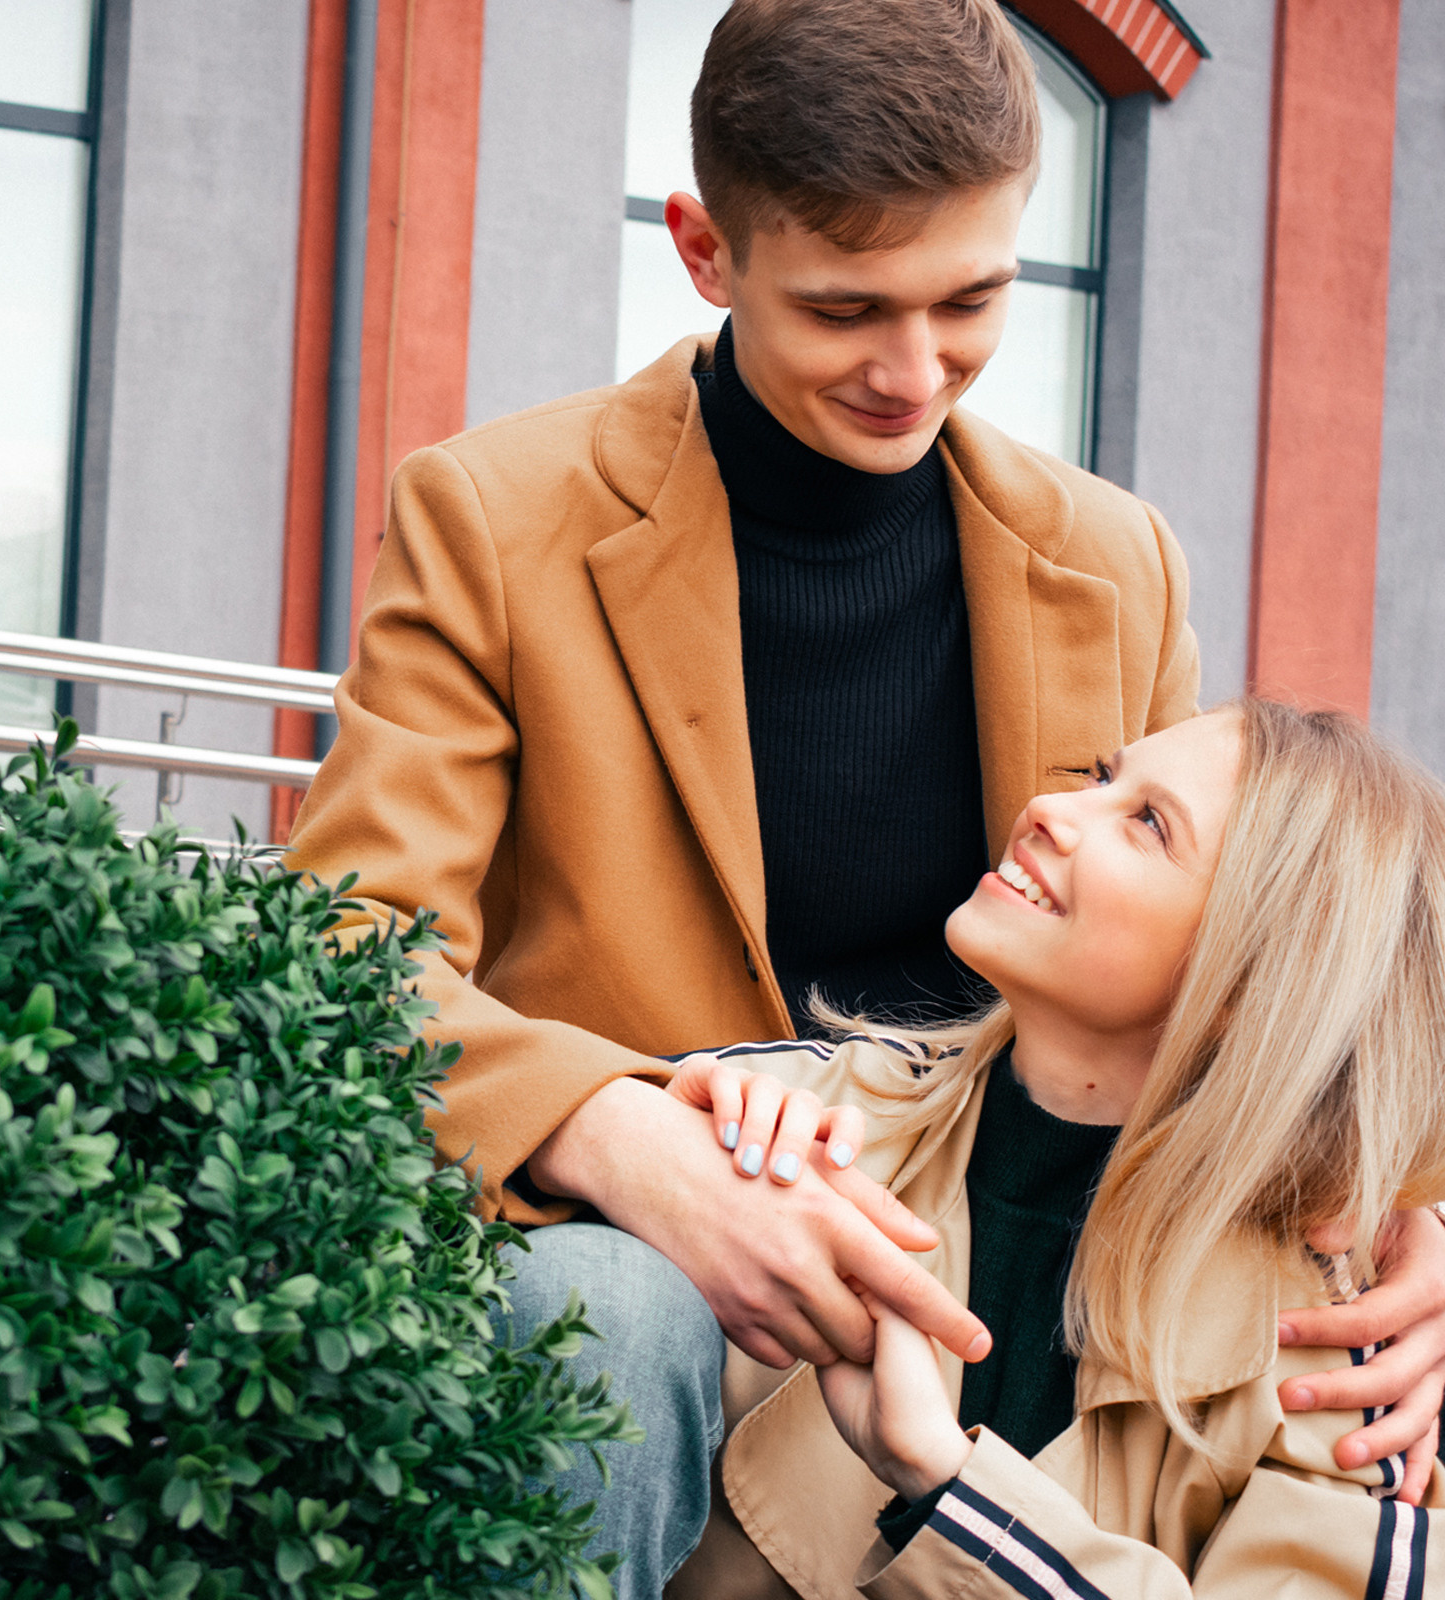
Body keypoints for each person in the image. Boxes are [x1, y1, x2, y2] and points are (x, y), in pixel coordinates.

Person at [280, 0, 1445, 1589]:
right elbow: (342, 958)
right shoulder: (494, 518)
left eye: (972, 300)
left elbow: (1237, 937)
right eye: (848, 310)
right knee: (602, 1324)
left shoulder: (1116, 560)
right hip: (631, 1268)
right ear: (704, 249)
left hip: (985, 1245)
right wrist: (614, 1138)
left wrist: (1419, 1234)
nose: (917, 372)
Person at [653, 699, 1445, 1596]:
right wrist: (651, 1141)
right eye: (1101, 779)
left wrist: (947, 1486)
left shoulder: (1338, 1364)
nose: (1046, 809)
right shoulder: (793, 1112)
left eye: (1148, 823)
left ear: (1254, 982)